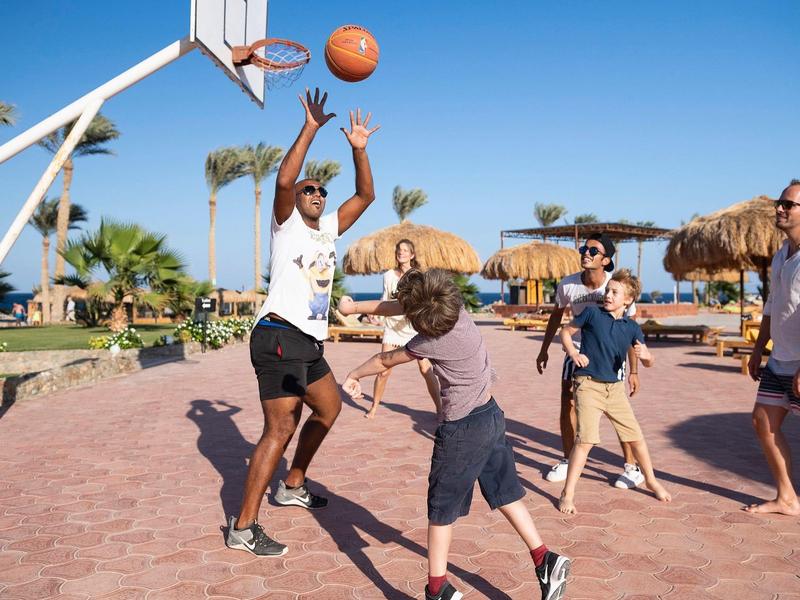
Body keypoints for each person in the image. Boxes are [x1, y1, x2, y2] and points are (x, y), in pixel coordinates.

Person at [340, 270, 571, 600]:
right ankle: (544, 559)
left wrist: (353, 373)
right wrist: (352, 309)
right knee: (505, 493)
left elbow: (385, 358)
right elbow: (399, 306)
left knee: (441, 508)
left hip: (462, 429)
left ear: (416, 315)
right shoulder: (458, 313)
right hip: (491, 415)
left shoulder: (427, 340)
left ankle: (437, 589)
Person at [225, 88, 380, 557]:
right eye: (308, 189)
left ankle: (292, 483)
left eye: (319, 191)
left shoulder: (329, 229)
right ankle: (243, 527)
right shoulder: (286, 223)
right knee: (279, 429)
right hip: (277, 334)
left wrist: (358, 150)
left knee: (329, 409)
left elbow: (367, 194)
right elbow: (284, 177)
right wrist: (311, 128)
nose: (315, 193)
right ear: (297, 198)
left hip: (308, 343)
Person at [557, 269, 671, 515]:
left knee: (635, 436)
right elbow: (565, 332)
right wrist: (573, 353)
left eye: (614, 292)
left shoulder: (632, 328)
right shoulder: (591, 314)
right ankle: (568, 493)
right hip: (588, 385)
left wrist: (647, 357)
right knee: (585, 440)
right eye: (608, 290)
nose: (608, 295)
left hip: (615, 389)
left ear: (628, 300)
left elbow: (648, 360)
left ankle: (650, 479)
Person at [536, 233, 643, 489]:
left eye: (593, 251)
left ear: (606, 260)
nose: (586, 253)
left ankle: (631, 467)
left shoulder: (616, 286)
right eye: (584, 248)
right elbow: (556, 317)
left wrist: (634, 370)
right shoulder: (568, 285)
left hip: (610, 354)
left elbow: (630, 330)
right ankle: (567, 459)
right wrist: (543, 350)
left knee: (614, 410)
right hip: (577, 350)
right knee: (568, 402)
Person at [746, 179, 800, 516]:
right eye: (779, 204)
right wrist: (758, 348)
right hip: (779, 359)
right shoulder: (782, 255)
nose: (779, 209)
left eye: (788, 204)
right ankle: (787, 498)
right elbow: (772, 305)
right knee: (762, 423)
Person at [364, 239, 440, 419]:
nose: (401, 253)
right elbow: (385, 300)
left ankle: (439, 408)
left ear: (412, 255)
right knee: (384, 370)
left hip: (415, 327)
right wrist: (376, 315)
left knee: (425, 369)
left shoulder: (419, 276)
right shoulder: (388, 276)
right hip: (392, 329)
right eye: (399, 250)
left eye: (405, 250)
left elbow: (425, 300)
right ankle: (374, 406)